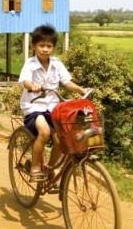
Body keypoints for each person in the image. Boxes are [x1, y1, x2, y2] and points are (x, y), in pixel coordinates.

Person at [19, 24, 87, 182]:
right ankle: (35, 167)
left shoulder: (57, 63)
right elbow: (25, 81)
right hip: (33, 106)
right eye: (41, 45)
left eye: (49, 46)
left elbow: (67, 82)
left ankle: (49, 169)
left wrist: (80, 89)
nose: (45, 49)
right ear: (34, 46)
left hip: (53, 107)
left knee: (61, 140)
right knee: (44, 132)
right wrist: (32, 86)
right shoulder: (30, 64)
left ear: (53, 48)